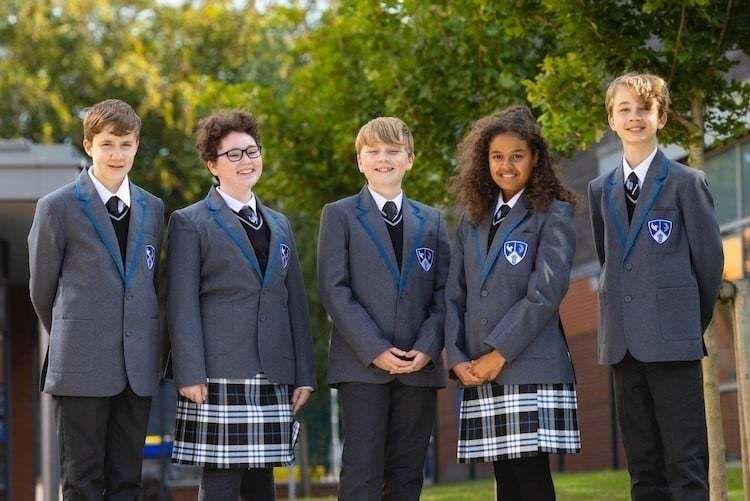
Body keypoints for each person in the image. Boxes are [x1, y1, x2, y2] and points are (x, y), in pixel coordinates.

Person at [166, 110, 315, 500]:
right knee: (221, 485)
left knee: (261, 485)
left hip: (274, 370)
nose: (246, 160)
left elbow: (294, 302)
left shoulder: (279, 224)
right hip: (217, 373)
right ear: (212, 165)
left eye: (252, 151)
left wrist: (304, 373)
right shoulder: (189, 222)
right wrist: (190, 372)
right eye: (233, 154)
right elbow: (181, 305)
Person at [588, 72, 723, 500]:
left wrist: (681, 323)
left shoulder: (687, 182)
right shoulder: (598, 190)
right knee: (644, 469)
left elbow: (708, 264)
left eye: (643, 109)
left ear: (660, 117)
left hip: (673, 343)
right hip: (623, 345)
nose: (634, 118)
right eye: (623, 109)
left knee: (685, 464)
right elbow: (611, 260)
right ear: (611, 119)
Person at [28, 98, 165, 499]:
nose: (117, 154)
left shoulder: (153, 209)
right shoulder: (57, 208)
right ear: (89, 145)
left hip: (135, 369)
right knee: (82, 481)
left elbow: (154, 288)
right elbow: (43, 291)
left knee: (127, 481)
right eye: (107, 144)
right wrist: (80, 334)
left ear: (137, 146)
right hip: (81, 366)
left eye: (126, 144)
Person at [445, 105, 581, 501]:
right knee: (505, 481)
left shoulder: (553, 214)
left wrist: (498, 353)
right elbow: (455, 295)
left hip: (527, 364)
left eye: (517, 156)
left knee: (530, 478)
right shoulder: (471, 220)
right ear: (484, 160)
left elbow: (546, 292)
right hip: (477, 368)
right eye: (497, 156)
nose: (507, 165)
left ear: (535, 158)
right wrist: (456, 357)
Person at [317, 117, 450, 500]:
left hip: (417, 366)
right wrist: (375, 350)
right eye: (372, 152)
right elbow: (334, 288)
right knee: (363, 468)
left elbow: (444, 292)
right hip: (362, 366)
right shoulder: (339, 215)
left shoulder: (432, 221)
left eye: (392, 151)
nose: (383, 159)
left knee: (408, 471)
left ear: (409, 159)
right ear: (360, 161)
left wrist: (427, 348)